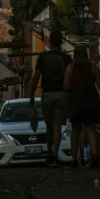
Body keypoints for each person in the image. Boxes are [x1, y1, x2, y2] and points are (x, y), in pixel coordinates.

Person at [29, 29, 72, 167]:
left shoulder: (43, 57)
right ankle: (55, 154)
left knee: (49, 126)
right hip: (61, 95)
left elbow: (36, 76)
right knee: (57, 126)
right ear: (61, 42)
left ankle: (49, 153)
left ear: (49, 41)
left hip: (47, 94)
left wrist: (31, 92)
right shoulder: (66, 58)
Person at [63, 44, 100, 168]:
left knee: (75, 130)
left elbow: (65, 87)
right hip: (91, 102)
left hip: (76, 103)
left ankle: (74, 158)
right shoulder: (93, 67)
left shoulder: (70, 68)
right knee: (91, 130)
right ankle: (95, 155)